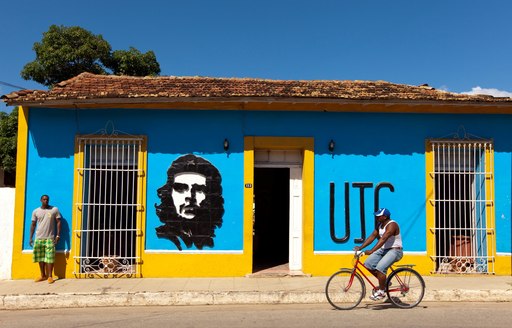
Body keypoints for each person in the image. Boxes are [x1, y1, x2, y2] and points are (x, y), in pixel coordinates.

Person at [155, 154, 224, 250]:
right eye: (180, 188)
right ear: (170, 193)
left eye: (199, 189)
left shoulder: (208, 240)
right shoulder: (164, 238)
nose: (190, 197)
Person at [354, 208, 403, 301]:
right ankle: (385, 283)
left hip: (395, 250)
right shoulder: (380, 225)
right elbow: (372, 236)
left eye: (378, 216)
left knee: (380, 268)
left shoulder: (392, 225)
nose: (376, 217)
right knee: (368, 264)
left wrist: (372, 250)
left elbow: (383, 238)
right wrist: (360, 248)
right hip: (384, 250)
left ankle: (381, 292)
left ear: (384, 217)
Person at [29, 194, 62, 284]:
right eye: (44, 199)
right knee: (40, 258)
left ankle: (50, 276)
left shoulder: (54, 210)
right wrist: (31, 237)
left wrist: (58, 235)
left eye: (47, 199)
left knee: (50, 258)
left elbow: (59, 222)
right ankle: (43, 275)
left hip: (50, 238)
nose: (46, 201)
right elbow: (33, 224)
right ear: (41, 200)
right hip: (39, 238)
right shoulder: (36, 211)